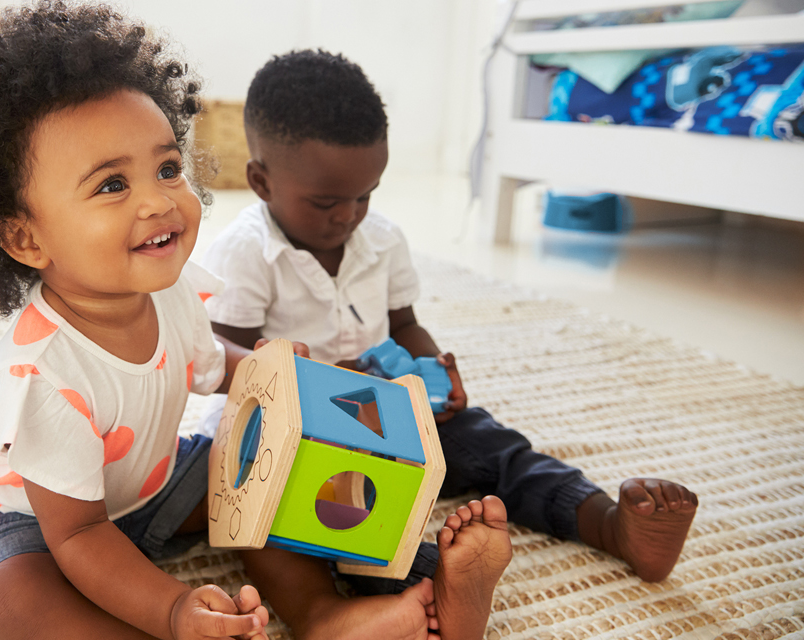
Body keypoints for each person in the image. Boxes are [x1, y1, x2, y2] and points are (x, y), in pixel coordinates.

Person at [0, 4, 512, 638]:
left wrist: (279, 377)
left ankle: (347, 610)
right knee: (14, 601)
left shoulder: (172, 294)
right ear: (24, 239)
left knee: (274, 468)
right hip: (40, 526)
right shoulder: (40, 380)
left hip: (154, 488)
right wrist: (174, 608)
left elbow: (216, 369)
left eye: (166, 169)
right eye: (110, 186)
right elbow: (79, 533)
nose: (159, 200)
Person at [195, 49, 699, 601]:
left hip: (391, 411)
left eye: (366, 195)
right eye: (325, 202)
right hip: (296, 437)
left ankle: (610, 523)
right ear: (261, 182)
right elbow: (229, 361)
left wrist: (436, 369)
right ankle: (435, 586)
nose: (348, 215)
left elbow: (405, 324)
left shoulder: (381, 239)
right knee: (335, 518)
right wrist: (318, 384)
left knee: (496, 447)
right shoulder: (245, 254)